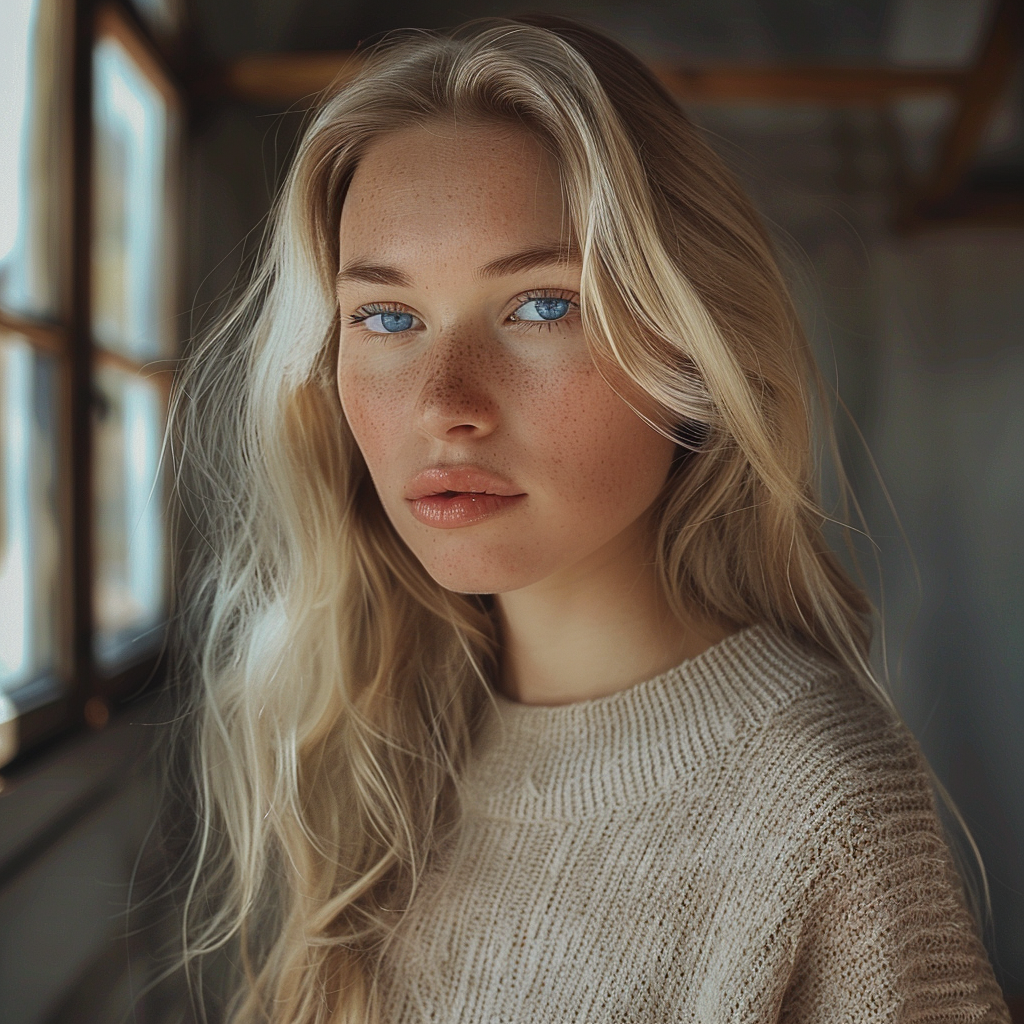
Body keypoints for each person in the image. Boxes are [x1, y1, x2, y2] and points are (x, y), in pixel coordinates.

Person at [169, 14, 1012, 1024]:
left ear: (690, 347)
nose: (445, 401)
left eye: (538, 305)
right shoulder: (394, 740)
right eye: (387, 318)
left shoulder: (821, 807)